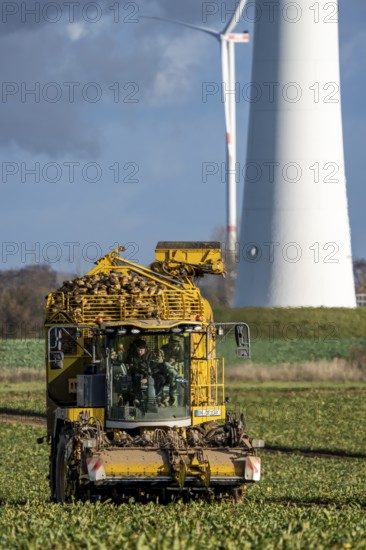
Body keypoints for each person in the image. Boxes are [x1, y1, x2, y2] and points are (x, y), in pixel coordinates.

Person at [126, 339, 168, 406]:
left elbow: (155, 369)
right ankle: (137, 399)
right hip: (138, 375)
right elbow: (131, 365)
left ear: (145, 349)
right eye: (138, 350)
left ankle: (157, 398)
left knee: (160, 378)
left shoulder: (151, 356)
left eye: (141, 350)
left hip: (151, 375)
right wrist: (130, 366)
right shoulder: (133, 356)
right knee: (136, 378)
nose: (139, 352)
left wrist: (147, 378)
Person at [160, 335, 184, 406]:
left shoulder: (178, 348)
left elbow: (181, 360)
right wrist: (168, 363)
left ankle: (173, 401)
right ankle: (165, 400)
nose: (174, 344)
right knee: (165, 379)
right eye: (173, 342)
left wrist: (175, 361)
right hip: (164, 368)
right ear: (169, 341)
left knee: (173, 382)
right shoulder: (163, 348)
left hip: (174, 369)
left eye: (176, 343)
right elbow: (161, 360)